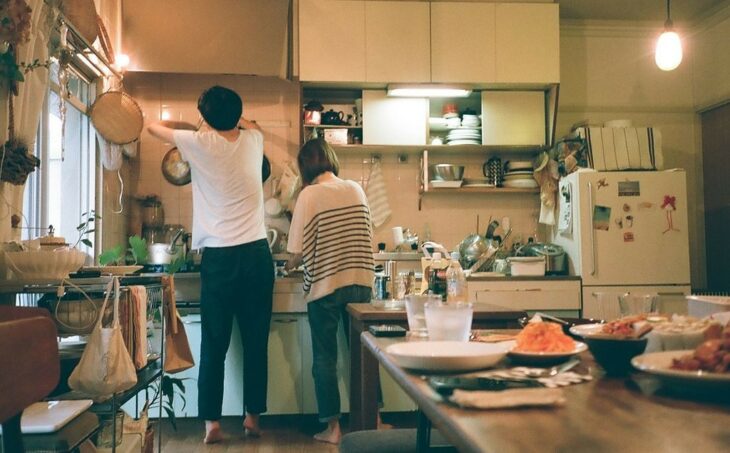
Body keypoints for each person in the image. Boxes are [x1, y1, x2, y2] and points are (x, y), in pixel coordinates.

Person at [148, 86, 274, 444]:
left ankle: (212, 426)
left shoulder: (199, 143)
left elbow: (153, 127)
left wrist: (197, 126)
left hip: (219, 259)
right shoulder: (254, 141)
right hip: (256, 256)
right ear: (238, 114)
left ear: (206, 116)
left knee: (214, 346)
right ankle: (252, 418)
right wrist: (233, 120)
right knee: (256, 343)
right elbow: (250, 126)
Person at [286, 138, 375, 444]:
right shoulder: (355, 188)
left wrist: (288, 267)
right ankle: (374, 419)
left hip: (325, 286)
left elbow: (296, 250)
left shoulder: (308, 195)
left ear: (305, 167)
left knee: (325, 358)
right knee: (365, 355)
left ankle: (333, 429)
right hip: (361, 282)